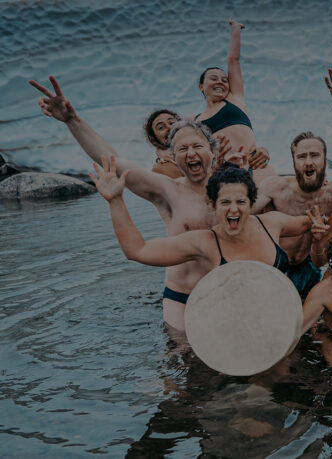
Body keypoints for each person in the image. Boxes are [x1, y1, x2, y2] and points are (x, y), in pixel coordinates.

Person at [31, 76, 223, 330]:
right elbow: (112, 161)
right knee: (179, 360)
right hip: (182, 296)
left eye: (197, 146)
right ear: (174, 158)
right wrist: (71, 120)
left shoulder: (232, 190)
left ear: (212, 150)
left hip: (225, 292)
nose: (191, 153)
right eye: (182, 149)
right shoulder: (166, 190)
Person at [91, 158, 327, 296]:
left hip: (277, 319)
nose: (233, 209)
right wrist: (115, 201)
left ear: (251, 203)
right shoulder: (203, 242)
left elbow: (306, 222)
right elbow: (137, 250)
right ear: (213, 205)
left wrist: (316, 225)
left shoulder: (272, 223)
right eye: (225, 202)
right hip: (228, 329)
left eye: (241, 202)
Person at [252, 132, 332, 296]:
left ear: (325, 161)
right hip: (275, 267)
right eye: (302, 157)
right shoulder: (275, 188)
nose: (308, 162)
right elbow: (240, 215)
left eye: (314, 155)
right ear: (294, 162)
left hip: (307, 266)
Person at [194, 18, 278, 184]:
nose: (220, 82)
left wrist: (236, 30)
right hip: (225, 176)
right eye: (213, 78)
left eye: (224, 80)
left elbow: (233, 60)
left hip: (255, 166)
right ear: (201, 86)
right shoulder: (196, 120)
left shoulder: (235, 99)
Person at [144, 109, 183, 179]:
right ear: (155, 138)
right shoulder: (161, 169)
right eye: (161, 127)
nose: (169, 127)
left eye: (172, 123)